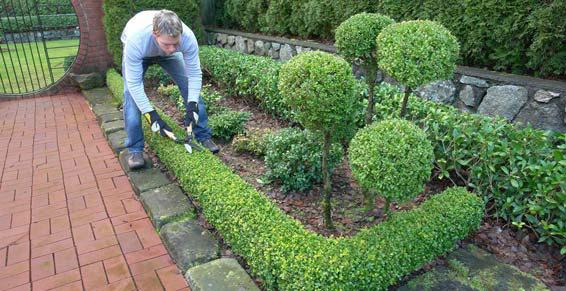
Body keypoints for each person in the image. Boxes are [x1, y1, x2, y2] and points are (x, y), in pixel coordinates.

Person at [121, 9, 219, 170]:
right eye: (167, 44)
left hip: (162, 51)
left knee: (189, 86)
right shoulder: (136, 40)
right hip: (141, 53)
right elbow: (134, 84)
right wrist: (151, 115)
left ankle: (203, 136)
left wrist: (192, 104)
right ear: (155, 34)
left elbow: (194, 74)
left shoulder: (187, 37)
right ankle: (135, 149)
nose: (172, 48)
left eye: (176, 43)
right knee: (130, 98)